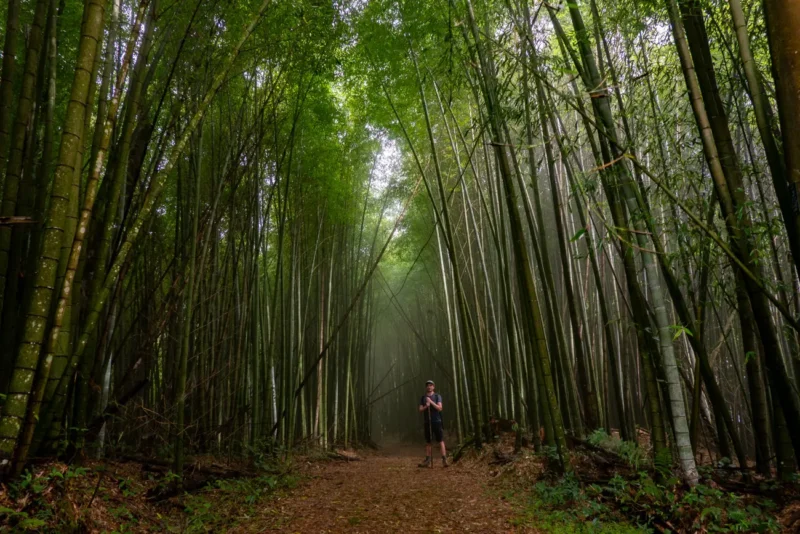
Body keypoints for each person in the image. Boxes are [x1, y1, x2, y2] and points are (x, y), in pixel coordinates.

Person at [418, 379, 447, 467]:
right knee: (428, 441)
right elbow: (420, 410)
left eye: (431, 385)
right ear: (426, 387)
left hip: (437, 421)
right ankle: (427, 460)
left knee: (440, 440)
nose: (429, 387)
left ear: (433, 387)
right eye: (427, 385)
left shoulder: (437, 396)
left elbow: (439, 408)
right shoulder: (423, 398)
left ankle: (444, 460)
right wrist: (426, 406)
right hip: (427, 421)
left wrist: (431, 402)